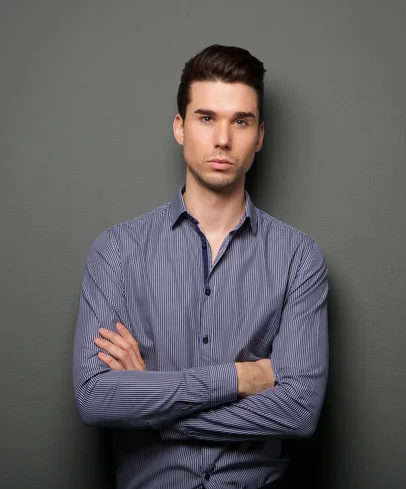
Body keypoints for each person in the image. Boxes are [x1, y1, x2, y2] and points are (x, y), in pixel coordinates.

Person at [72, 44, 329, 489]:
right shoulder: (116, 250)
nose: (223, 139)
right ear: (180, 126)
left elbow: (300, 409)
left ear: (260, 136)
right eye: (206, 118)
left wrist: (158, 408)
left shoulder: (298, 259)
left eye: (241, 121)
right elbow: (95, 397)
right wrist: (240, 377)